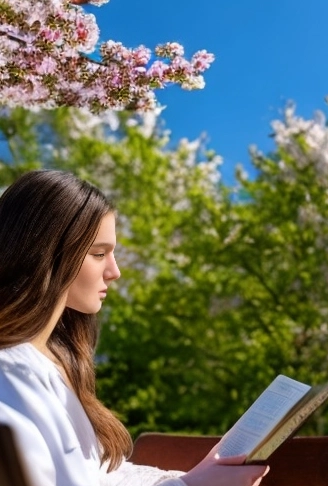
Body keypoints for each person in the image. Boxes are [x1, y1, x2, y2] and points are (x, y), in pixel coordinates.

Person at [0, 170, 269, 486]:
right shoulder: (14, 377)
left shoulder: (52, 365)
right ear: (46, 254)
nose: (115, 271)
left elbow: (98, 476)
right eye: (99, 254)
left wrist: (194, 480)